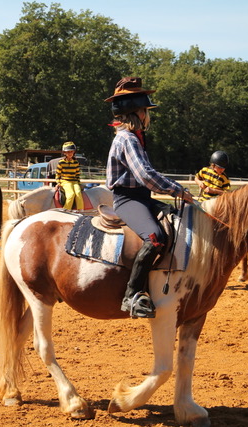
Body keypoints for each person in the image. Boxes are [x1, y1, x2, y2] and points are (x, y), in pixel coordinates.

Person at [105, 76, 194, 318]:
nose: (148, 115)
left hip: (142, 197)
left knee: (178, 218)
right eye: (146, 110)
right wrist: (178, 190)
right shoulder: (127, 139)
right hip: (128, 200)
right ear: (137, 113)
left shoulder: (135, 138)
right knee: (155, 237)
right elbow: (145, 174)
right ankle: (132, 295)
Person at [55, 141, 84, 210]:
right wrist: (58, 182)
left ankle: (81, 211)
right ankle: (66, 210)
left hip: (74, 182)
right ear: (64, 153)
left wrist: (79, 183)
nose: (70, 153)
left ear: (74, 152)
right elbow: (58, 174)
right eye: (68, 152)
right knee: (71, 194)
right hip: (65, 181)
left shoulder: (76, 162)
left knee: (78, 193)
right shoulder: (61, 162)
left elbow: (77, 174)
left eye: (71, 151)